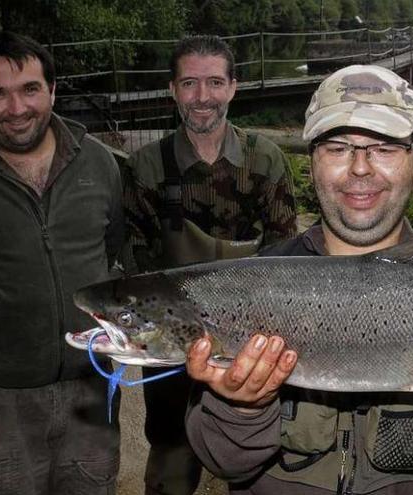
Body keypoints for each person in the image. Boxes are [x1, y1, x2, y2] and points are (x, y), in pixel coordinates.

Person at [182, 64, 413, 494]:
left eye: (385, 148)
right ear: (312, 163)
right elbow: (224, 461)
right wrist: (242, 408)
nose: (360, 168)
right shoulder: (247, 294)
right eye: (337, 148)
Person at [0, 31, 124, 494]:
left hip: (91, 388)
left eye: (30, 89)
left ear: (52, 91)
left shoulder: (99, 163)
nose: (16, 108)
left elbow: (116, 254)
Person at [121, 35, 298, 495]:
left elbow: (286, 257)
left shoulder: (266, 160)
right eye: (190, 83)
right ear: (173, 89)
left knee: (255, 452)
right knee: (171, 456)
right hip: (172, 342)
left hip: (252, 337)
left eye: (215, 82)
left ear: (234, 87)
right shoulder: (145, 167)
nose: (203, 98)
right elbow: (134, 265)